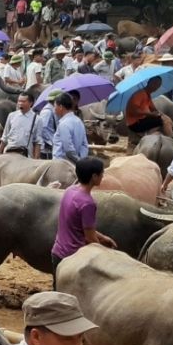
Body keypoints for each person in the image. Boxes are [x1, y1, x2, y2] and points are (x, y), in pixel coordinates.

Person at [50, 157, 117, 287]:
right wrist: (106, 256)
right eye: (101, 173)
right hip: (73, 259)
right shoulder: (88, 203)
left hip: (58, 253)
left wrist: (103, 238)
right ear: (94, 176)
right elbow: (90, 238)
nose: (103, 176)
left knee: (58, 294)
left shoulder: (70, 190)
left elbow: (79, 227)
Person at [0, 92, 40, 156]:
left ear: (31, 103)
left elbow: (38, 141)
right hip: (9, 152)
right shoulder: (11, 116)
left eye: (23, 101)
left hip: (25, 155)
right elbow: (4, 137)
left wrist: (36, 160)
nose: (20, 103)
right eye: (19, 101)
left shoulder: (37, 119)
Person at [51, 92, 89, 163]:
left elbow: (68, 149)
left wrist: (78, 160)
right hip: (76, 164)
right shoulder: (79, 121)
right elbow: (84, 145)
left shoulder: (64, 124)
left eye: (55, 106)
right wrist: (81, 159)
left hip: (61, 164)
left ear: (61, 107)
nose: (54, 109)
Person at [35, 90, 61, 159]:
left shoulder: (53, 110)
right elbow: (42, 129)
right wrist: (52, 142)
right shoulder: (47, 111)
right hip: (46, 148)